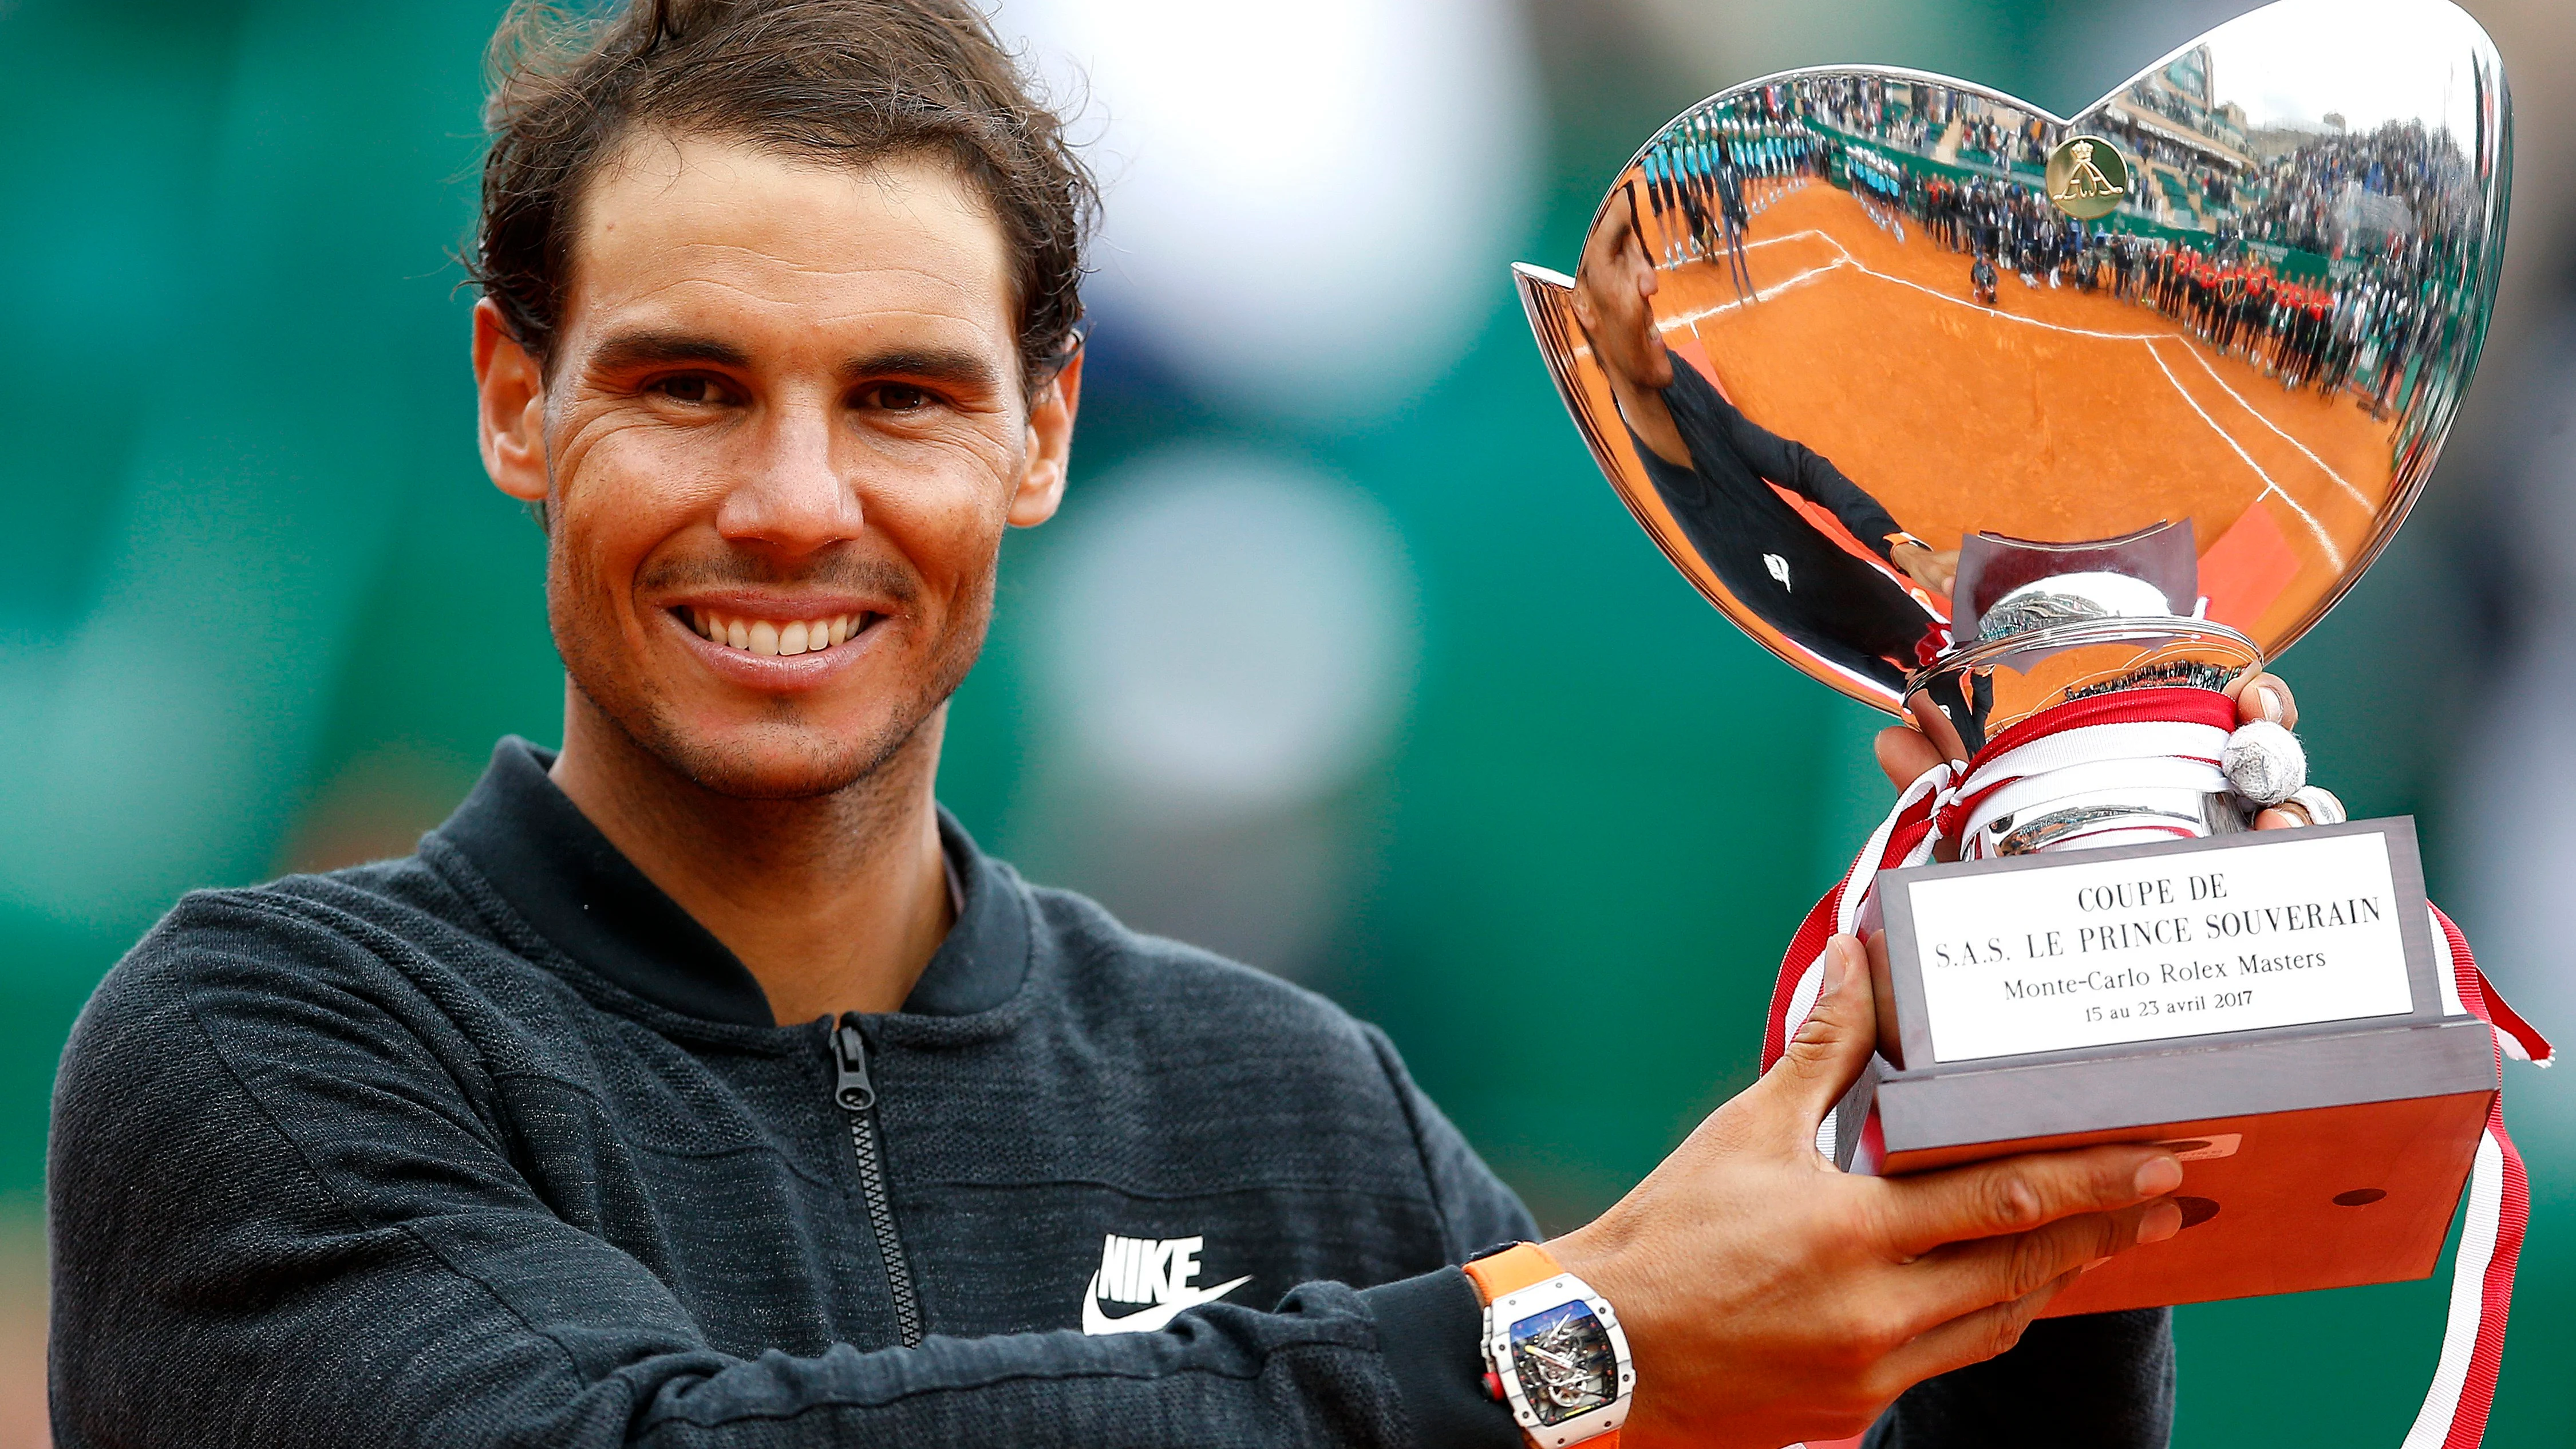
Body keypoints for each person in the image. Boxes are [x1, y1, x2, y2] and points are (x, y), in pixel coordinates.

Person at [49, 2, 2314, 1446]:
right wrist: (1565, 1333)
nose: (798, 498)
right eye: (691, 382)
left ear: (1040, 438)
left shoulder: (1286, 1102)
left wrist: (2042, 1053)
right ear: (514, 400)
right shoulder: (265, 1044)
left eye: (905, 396)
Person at [1573, 194, 1954, 696]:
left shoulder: (1675, 378)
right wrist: (1908, 697)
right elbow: (1802, 637)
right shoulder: (1645, 532)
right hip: (1863, 674)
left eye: (1642, 247)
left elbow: (1799, 467)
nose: (1652, 279)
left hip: (1880, 603)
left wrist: (1904, 551)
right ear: (1580, 303)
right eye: (1622, 253)